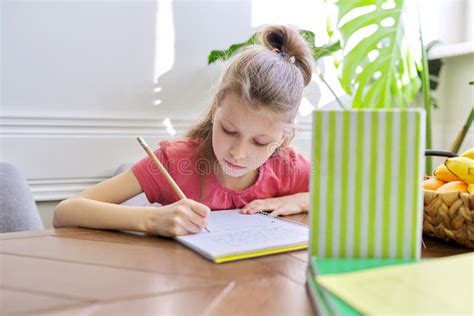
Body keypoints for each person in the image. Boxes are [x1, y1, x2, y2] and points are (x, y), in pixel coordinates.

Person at [53, 24, 313, 237]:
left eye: (260, 141)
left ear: (283, 138)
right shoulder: (174, 163)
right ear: (216, 110)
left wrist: (301, 200)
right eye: (229, 130)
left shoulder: (287, 167)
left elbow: (350, 200)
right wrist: (151, 219)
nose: (238, 153)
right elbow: (66, 212)